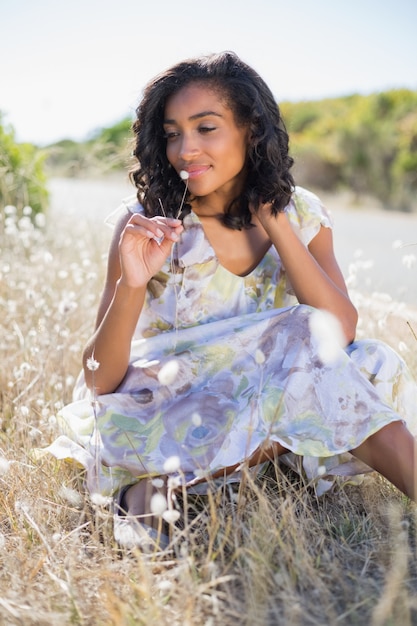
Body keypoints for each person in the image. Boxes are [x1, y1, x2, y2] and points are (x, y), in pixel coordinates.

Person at [49, 51, 417, 550]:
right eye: (173, 132)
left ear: (251, 129)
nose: (185, 149)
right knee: (299, 339)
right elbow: (100, 379)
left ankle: (177, 475)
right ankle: (152, 508)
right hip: (181, 399)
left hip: (277, 395)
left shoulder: (302, 213)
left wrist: (279, 227)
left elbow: (342, 331)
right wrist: (131, 283)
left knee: (355, 358)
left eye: (206, 128)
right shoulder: (147, 222)